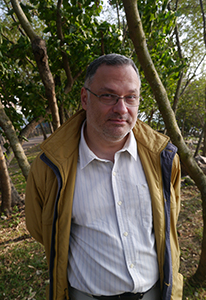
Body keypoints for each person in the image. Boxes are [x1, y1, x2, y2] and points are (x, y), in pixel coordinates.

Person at [25, 54, 183, 300]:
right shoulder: (50, 167)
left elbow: (169, 221)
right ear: (85, 98)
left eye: (131, 97)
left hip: (154, 294)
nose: (121, 109)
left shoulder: (163, 158)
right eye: (108, 96)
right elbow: (41, 228)